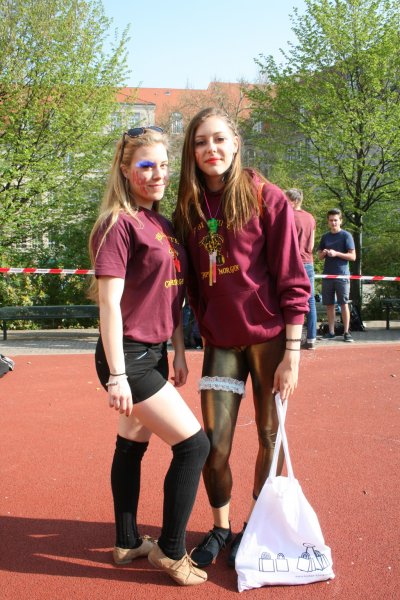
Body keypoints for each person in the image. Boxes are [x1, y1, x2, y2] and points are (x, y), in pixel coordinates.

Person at [173, 107, 311, 568]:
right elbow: (188, 284)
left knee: (271, 436)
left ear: (235, 142)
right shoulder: (189, 208)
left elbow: (293, 279)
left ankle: (258, 524)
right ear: (191, 152)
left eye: (218, 139)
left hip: (270, 340)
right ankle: (221, 528)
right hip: (221, 343)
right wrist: (191, 335)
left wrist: (292, 355)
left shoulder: (267, 198)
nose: (210, 149)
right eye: (200, 142)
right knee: (214, 446)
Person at [88, 126, 210, 586]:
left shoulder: (162, 224)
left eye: (163, 165)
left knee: (131, 445)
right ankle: (171, 551)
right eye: (146, 165)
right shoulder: (117, 224)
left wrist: (177, 350)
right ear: (125, 169)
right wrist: (117, 375)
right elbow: (109, 305)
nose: (157, 174)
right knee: (194, 445)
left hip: (154, 351)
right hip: (127, 356)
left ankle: (127, 543)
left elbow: (171, 294)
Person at [285, 188, 317, 350]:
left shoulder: (288, 215)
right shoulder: (310, 218)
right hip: (308, 262)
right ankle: (311, 338)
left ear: (295, 201)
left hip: (292, 262)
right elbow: (312, 245)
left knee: (289, 299)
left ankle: (289, 339)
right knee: (310, 300)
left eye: (287, 200)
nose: (284, 202)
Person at [317, 208, 356, 342]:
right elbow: (319, 256)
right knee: (329, 304)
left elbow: (353, 257)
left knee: (344, 303)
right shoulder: (325, 237)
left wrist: (336, 253)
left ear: (340, 221)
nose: (333, 223)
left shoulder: (346, 236)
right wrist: (324, 253)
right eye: (331, 220)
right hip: (327, 275)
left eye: (335, 220)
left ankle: (346, 332)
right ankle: (331, 331)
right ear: (328, 222)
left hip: (342, 275)